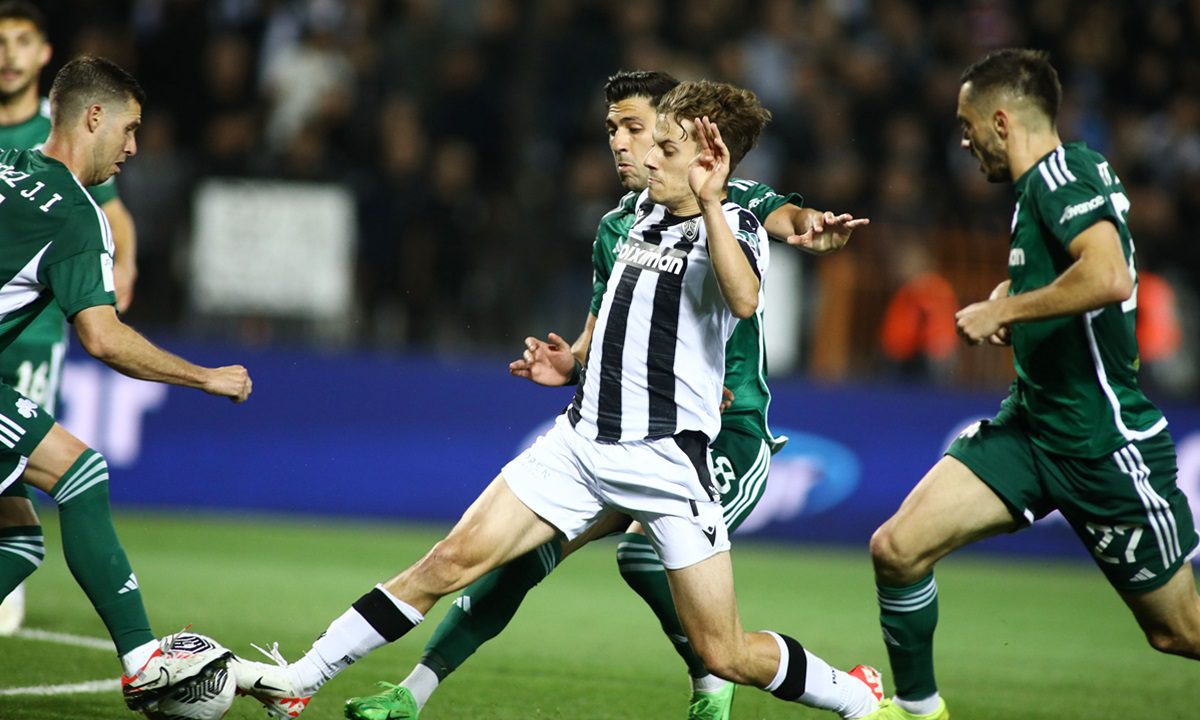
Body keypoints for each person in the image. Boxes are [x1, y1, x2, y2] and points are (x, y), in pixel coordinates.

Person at [232, 79, 882, 720]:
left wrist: (725, 205)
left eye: (665, 147)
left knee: (726, 652)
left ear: (711, 161)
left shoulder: (733, 224)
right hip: (579, 445)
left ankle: (857, 699)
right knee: (447, 562)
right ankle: (300, 680)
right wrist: (572, 364)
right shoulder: (631, 217)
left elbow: (743, 298)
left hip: (664, 462)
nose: (646, 157)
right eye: (644, 140)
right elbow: (614, 331)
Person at [864, 48, 1200, 720]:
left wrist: (1006, 310)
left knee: (1178, 632)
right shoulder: (1047, 187)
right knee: (897, 549)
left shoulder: (1060, 175)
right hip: (1031, 427)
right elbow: (1076, 275)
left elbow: (1109, 276)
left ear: (1000, 122)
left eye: (967, 126)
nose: (963, 142)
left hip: (1101, 442)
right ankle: (918, 710)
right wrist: (1013, 292)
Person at [0, 55, 253, 710]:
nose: (134, 147)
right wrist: (205, 377)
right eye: (130, 128)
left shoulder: (5, 164)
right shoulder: (78, 218)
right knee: (80, 473)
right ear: (94, 117)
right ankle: (143, 662)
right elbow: (104, 338)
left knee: (17, 535)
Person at [0, 0, 140, 635]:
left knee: (25, 480)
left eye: (21, 41)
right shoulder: (57, 156)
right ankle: (143, 658)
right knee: (63, 465)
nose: (9, 55)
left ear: (43, 53)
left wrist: (122, 265)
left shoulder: (51, 140)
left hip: (33, 327)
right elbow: (105, 341)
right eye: (1, 41)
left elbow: (113, 214)